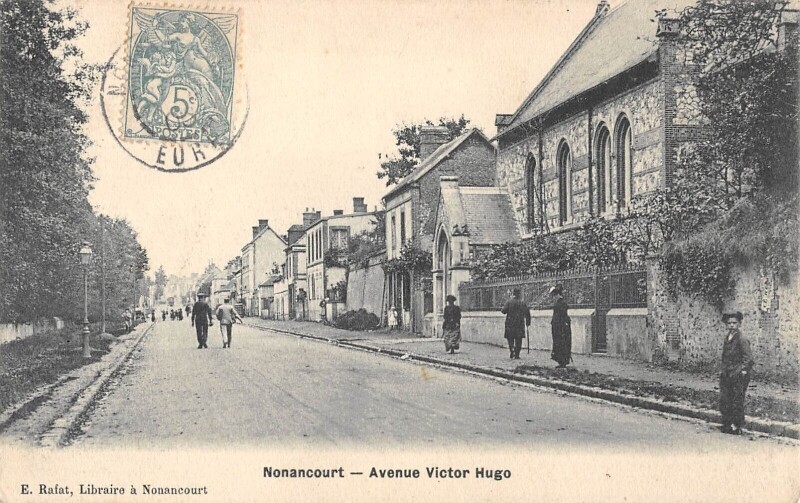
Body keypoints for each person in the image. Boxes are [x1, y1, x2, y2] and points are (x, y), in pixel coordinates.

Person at [719, 311, 754, 435]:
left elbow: (748, 359)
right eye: (729, 323)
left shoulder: (742, 339)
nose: (731, 325)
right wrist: (723, 370)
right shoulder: (727, 338)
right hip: (727, 373)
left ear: (739, 324)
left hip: (738, 374)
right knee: (725, 398)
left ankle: (736, 425)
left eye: (734, 323)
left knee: (737, 400)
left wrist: (742, 371)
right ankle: (727, 424)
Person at [501, 288, 530, 359]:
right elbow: (527, 314)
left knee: (510, 338)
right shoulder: (522, 303)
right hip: (519, 324)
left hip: (510, 323)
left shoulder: (509, 302)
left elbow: (503, 311)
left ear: (513, 294)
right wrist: (528, 322)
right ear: (519, 294)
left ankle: (512, 350)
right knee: (519, 339)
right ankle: (517, 354)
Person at [550, 285, 572, 368]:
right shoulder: (559, 303)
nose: (553, 298)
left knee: (562, 343)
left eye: (554, 295)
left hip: (560, 327)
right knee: (558, 343)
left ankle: (563, 361)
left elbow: (562, 316)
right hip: (558, 326)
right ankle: (560, 361)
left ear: (558, 295)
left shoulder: (562, 303)